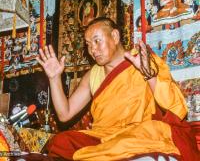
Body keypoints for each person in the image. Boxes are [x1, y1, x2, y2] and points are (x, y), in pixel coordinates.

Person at [37, 17, 200, 160]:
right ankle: (108, 153)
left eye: (96, 41)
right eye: (88, 45)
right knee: (61, 141)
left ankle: (106, 154)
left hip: (137, 133)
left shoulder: (142, 61)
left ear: (114, 36)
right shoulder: (93, 75)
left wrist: (150, 76)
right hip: (103, 137)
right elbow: (64, 114)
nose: (92, 50)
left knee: (148, 132)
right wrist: (54, 78)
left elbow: (176, 108)